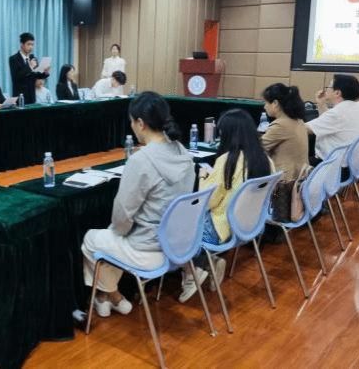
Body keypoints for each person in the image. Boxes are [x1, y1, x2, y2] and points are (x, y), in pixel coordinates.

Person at [82, 92, 195, 318]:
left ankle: (111, 295)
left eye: (132, 122)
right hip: (178, 245)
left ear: (140, 123)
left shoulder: (141, 160)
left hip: (148, 250)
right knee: (112, 238)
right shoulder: (183, 152)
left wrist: (119, 230)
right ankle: (107, 298)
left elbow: (121, 217)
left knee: (93, 239)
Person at [180, 109, 273, 303]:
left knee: (178, 228)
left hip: (221, 229)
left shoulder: (228, 160)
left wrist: (203, 177)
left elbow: (208, 201)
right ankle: (210, 262)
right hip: (251, 226)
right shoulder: (266, 160)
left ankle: (194, 270)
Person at [306, 74, 359, 164]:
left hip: (331, 166)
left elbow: (305, 129)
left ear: (337, 93)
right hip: (352, 164)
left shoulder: (338, 113)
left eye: (329, 87)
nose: (326, 89)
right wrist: (321, 104)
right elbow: (328, 122)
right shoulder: (357, 106)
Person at [261, 83, 309, 181]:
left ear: (275, 103)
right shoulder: (299, 121)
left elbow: (256, 148)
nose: (264, 107)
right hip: (301, 178)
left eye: (266, 103)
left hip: (284, 182)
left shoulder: (280, 125)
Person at [8, 32, 50, 104]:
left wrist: (45, 72)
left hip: (32, 96)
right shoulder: (13, 59)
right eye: (28, 44)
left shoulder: (33, 58)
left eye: (32, 45)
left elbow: (38, 76)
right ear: (22, 44)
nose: (31, 47)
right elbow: (16, 77)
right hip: (20, 96)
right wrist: (30, 67)